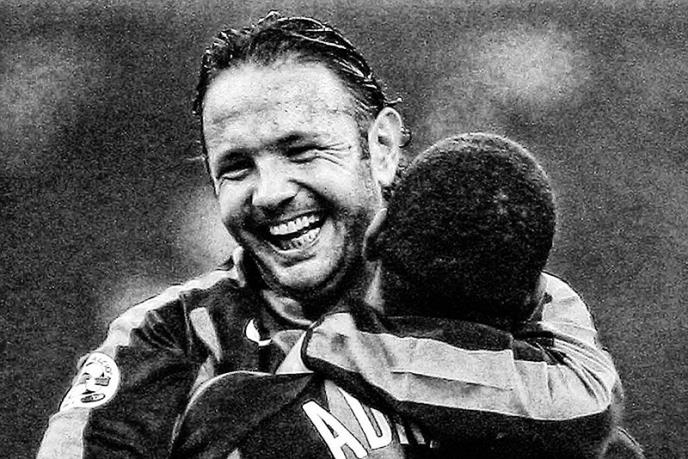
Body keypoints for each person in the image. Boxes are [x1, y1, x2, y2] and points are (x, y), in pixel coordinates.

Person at [37, 13, 624, 458]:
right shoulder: (166, 335)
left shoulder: (499, 291)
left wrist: (326, 353)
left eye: (301, 151)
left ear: (382, 147)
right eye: (236, 168)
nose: (269, 192)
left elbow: (585, 408)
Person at [170, 133, 633, 458]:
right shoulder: (593, 444)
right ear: (529, 296)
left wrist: (331, 341)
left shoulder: (235, 414)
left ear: (377, 233)